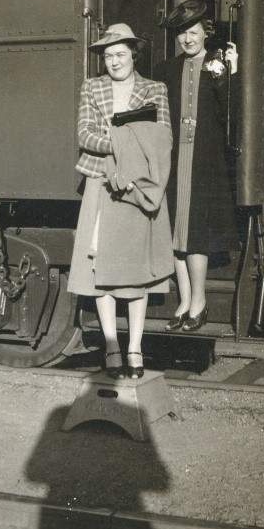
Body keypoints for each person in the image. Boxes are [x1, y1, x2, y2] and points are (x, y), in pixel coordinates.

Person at [67, 23, 174, 379]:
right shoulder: (92, 87)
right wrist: (125, 142)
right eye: (108, 55)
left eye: (120, 54)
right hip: (101, 183)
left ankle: (135, 347)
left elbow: (163, 139)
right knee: (102, 272)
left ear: (133, 54)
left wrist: (117, 139)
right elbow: (84, 135)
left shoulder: (154, 89)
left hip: (137, 188)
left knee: (135, 273)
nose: (114, 61)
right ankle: (112, 345)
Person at [153, 0, 239, 332]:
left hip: (204, 158)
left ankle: (199, 301)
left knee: (196, 231)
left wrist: (232, 75)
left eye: (193, 31)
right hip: (174, 158)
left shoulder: (217, 66)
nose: (187, 39)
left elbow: (230, 114)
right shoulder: (166, 71)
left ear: (206, 32)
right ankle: (184, 301)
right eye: (181, 34)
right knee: (174, 229)